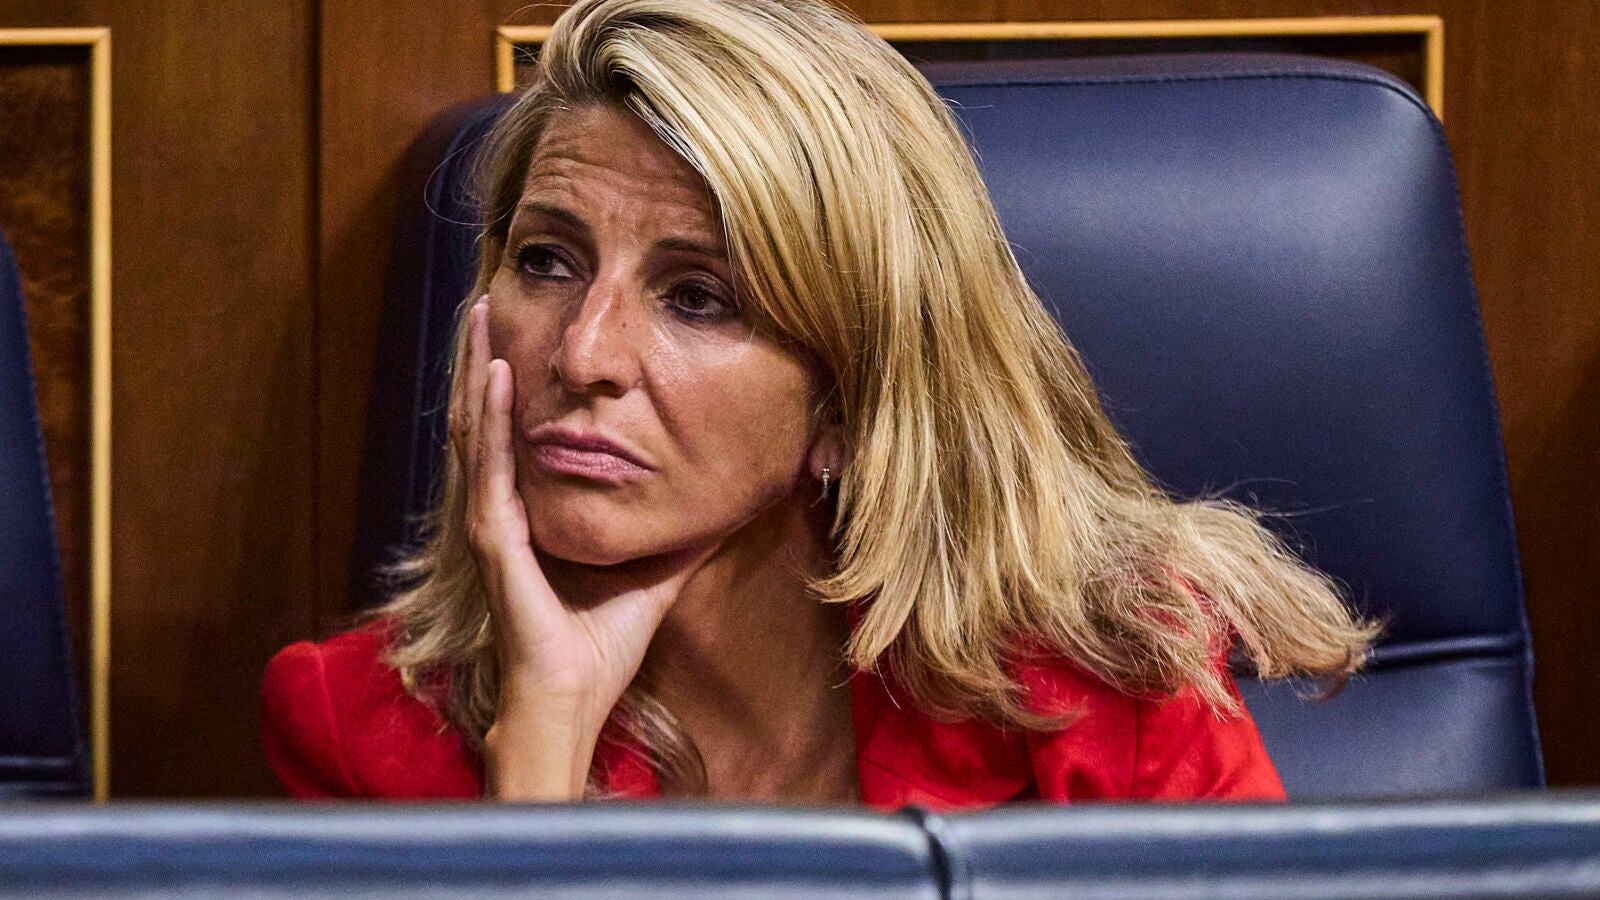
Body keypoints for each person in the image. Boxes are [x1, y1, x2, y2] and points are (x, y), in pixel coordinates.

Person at [262, 0, 1377, 807]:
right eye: (547, 262)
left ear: (849, 398)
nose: (584, 353)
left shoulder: (1109, 686)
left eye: (697, 297)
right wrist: (540, 754)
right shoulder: (358, 734)